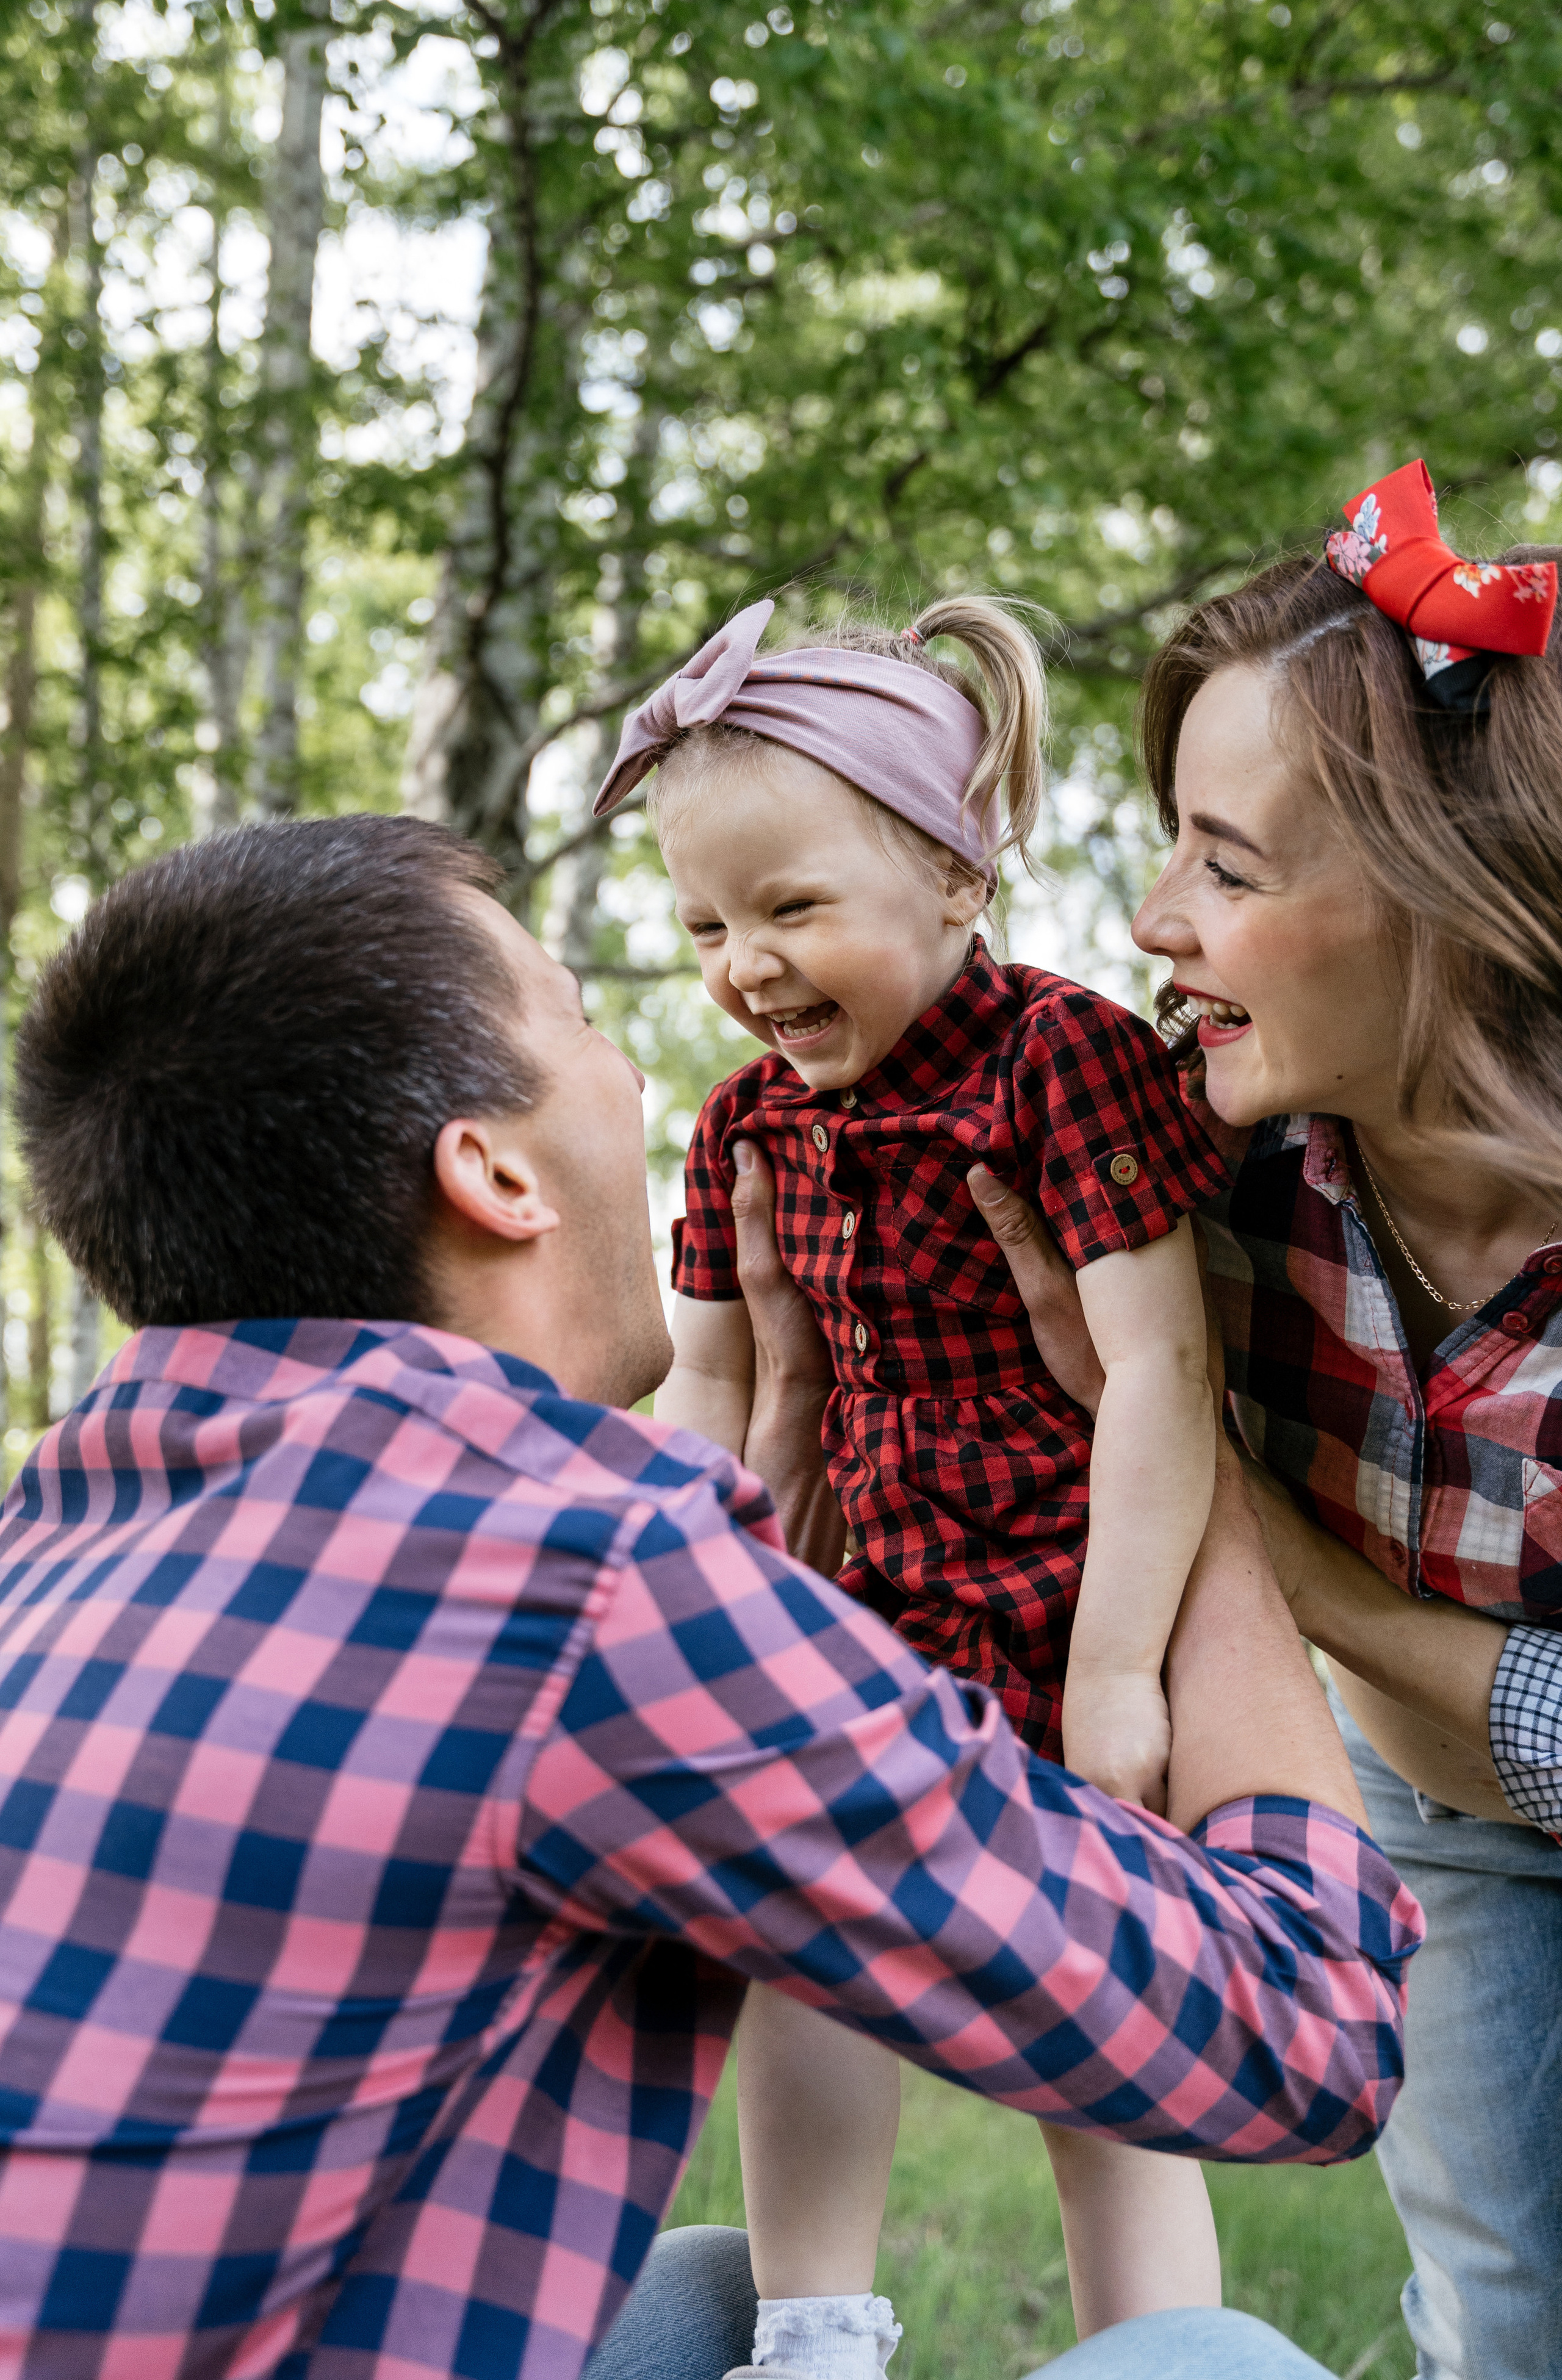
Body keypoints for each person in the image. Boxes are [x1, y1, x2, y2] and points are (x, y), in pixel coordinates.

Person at [0, 814, 1419, 2380]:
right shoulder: (572, 1577)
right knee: (1206, 2365)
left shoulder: (53, 1532)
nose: (655, 1071)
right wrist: (1173, 1446)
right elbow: (1308, 2035)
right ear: (491, 1172)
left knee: (704, 2293)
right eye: (589, 1023)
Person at [593, 595, 1227, 2373]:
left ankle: (1158, 2346)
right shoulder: (745, 1127)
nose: (746, 963)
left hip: (1058, 1590)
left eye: (794, 907)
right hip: (856, 1615)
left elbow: (1164, 1371)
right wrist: (665, 1609)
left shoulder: (1061, 1061)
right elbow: (715, 1383)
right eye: (710, 920)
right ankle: (811, 2330)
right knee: (809, 1959)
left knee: (1099, 2024)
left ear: (959, 880)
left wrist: (1114, 1668)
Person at [1018, 461, 1562, 2380]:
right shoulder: (1196, 1156)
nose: (1156, 916)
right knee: (1507, 2307)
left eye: (1231, 869)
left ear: (1460, 909)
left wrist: (1274, 1545)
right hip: (1436, 1808)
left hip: (1464, 1742)